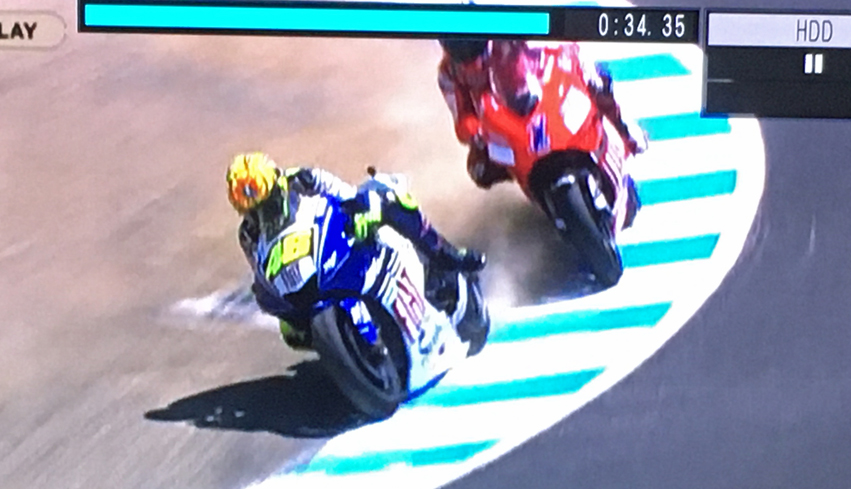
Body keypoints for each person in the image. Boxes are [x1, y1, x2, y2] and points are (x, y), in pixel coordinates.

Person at [225, 152, 483, 349]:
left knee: (391, 200)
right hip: (306, 272)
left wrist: (359, 209)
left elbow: (339, 190)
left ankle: (447, 255)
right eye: (252, 211)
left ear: (277, 186)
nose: (261, 214)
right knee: (291, 332)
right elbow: (261, 270)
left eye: (267, 204)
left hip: (341, 233)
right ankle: (345, 347)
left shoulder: (300, 179)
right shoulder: (247, 234)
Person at [436, 38, 649, 190]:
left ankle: (624, 129)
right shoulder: (448, 73)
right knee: (479, 171)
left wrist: (564, 59)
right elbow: (461, 115)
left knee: (598, 78)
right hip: (497, 123)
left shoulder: (508, 38)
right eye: (458, 46)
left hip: (532, 96)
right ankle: (534, 187)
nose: (467, 51)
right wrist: (474, 131)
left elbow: (555, 45)